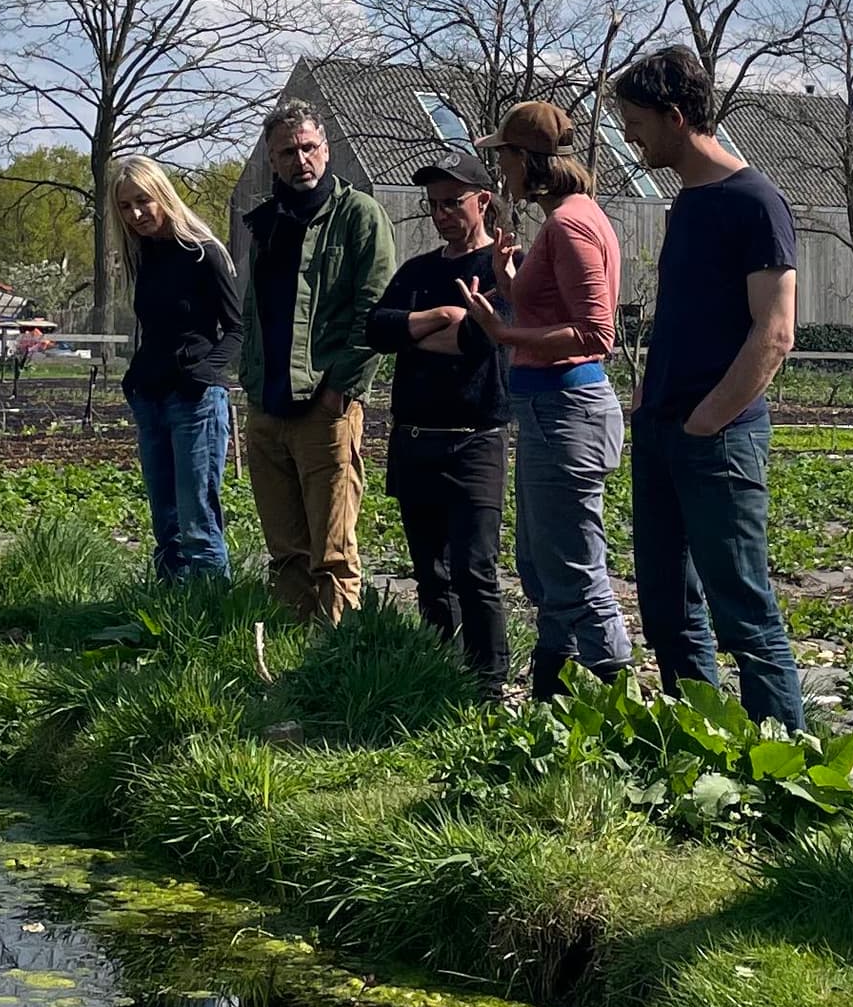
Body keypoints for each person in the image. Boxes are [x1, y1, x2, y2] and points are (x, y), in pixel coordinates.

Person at [608, 44, 806, 729]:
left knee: (743, 612)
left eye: (634, 120)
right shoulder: (686, 202)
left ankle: (786, 774)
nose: (627, 135)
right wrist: (654, 406)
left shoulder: (754, 202)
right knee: (666, 608)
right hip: (664, 428)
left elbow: (774, 334)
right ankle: (703, 744)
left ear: (673, 115)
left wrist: (707, 420)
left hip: (715, 436)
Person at [456, 98, 634, 697]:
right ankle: (550, 691)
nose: (498, 170)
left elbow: (596, 332)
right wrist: (510, 282)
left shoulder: (571, 223)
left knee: (576, 566)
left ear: (527, 159)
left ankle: (623, 700)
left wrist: (504, 333)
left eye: (502, 156)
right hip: (545, 408)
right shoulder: (563, 218)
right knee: (538, 562)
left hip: (568, 412)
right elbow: (556, 308)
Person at [234, 99, 396, 625]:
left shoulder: (358, 216)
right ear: (271, 159)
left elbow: (374, 313)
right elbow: (255, 311)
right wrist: (252, 382)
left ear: (325, 150)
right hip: (267, 405)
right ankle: (286, 648)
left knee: (332, 551)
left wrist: (338, 392)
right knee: (284, 549)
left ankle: (334, 658)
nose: (300, 159)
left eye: (309, 147)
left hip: (323, 407)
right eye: (287, 151)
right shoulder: (264, 222)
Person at [367, 151, 515, 693]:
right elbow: (377, 329)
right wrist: (441, 316)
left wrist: (423, 333)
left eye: (453, 202)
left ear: (484, 200)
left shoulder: (500, 269)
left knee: (475, 571)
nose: (442, 213)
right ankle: (434, 672)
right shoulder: (420, 271)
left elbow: (481, 342)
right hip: (415, 437)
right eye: (433, 205)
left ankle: (488, 684)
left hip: (473, 438)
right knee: (429, 573)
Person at [115, 156, 244, 583]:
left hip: (195, 402)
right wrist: (134, 378)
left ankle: (209, 618)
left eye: (143, 200)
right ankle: (170, 612)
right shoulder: (144, 256)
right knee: (165, 522)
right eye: (125, 206)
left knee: (197, 521)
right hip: (150, 399)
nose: (135, 213)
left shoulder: (203, 253)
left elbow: (237, 330)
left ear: (163, 195)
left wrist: (203, 375)